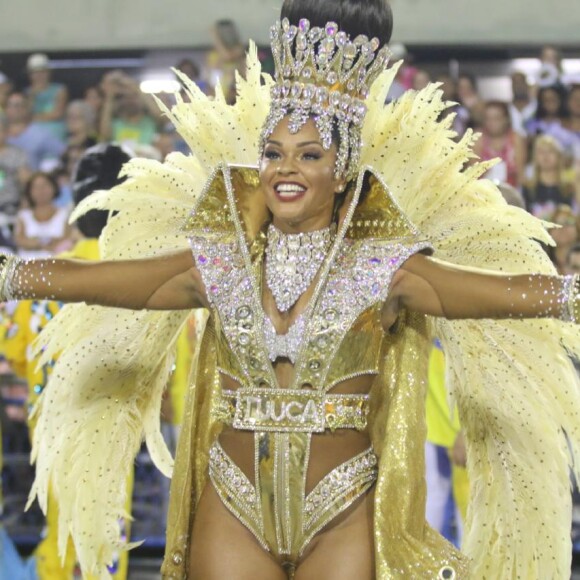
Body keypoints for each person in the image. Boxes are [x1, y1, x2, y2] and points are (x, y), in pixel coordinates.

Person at [1, 1, 579, 579]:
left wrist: (572, 296)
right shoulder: (222, 261)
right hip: (233, 503)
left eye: (309, 155)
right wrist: (12, 276)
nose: (285, 169)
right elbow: (103, 282)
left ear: (343, 167)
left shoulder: (384, 267)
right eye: (273, 153)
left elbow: (502, 294)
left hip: (342, 507)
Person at [14, 172, 73, 259]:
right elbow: (20, 240)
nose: (41, 191)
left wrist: (35, 242)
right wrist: (45, 244)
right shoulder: (23, 216)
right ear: (29, 191)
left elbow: (67, 239)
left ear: (53, 187)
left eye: (44, 186)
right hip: (27, 265)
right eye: (36, 187)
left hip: (57, 263)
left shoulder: (64, 214)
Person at [4, 92, 66, 171]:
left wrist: (53, 175)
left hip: (29, 179)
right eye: (10, 105)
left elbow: (64, 153)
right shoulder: (2, 133)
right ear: (5, 109)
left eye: (19, 105)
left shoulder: (41, 133)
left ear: (27, 108)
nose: (15, 109)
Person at [473, 100, 526, 188]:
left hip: (511, 191)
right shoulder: (478, 139)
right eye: (488, 118)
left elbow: (521, 175)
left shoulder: (515, 139)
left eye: (496, 119)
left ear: (506, 119)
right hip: (483, 191)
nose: (491, 123)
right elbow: (473, 174)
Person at [523, 135, 578, 218]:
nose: (546, 156)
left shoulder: (569, 188)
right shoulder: (527, 188)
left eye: (550, 151)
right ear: (535, 157)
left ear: (559, 156)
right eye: (541, 152)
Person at [24, 53, 68, 142]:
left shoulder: (60, 90)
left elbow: (58, 113)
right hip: (32, 130)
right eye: (35, 72)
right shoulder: (26, 92)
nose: (39, 75)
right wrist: (32, 95)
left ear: (48, 72)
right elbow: (26, 115)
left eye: (42, 72)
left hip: (54, 129)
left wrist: (35, 118)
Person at [0, 114, 30, 217]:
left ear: (6, 132)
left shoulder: (17, 154)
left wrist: (25, 201)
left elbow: (25, 181)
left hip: (10, 205)